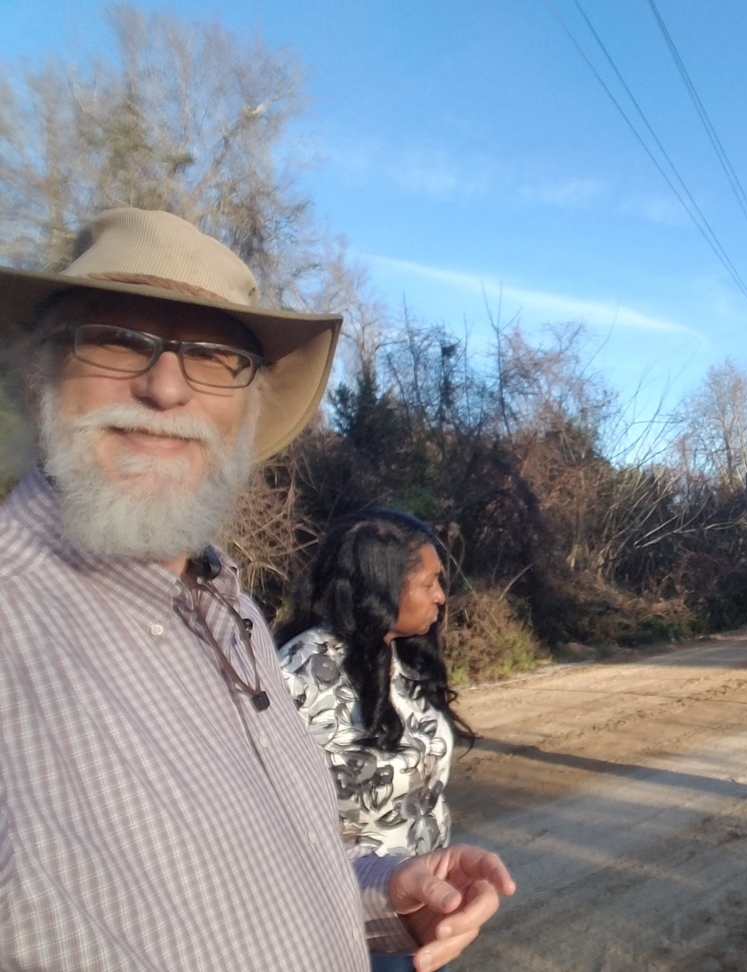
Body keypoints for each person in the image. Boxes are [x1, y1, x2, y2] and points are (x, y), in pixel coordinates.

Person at [0, 207, 514, 972]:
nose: (165, 385)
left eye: (213, 356)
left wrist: (382, 894)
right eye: (113, 339)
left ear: (249, 409)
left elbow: (259, 881)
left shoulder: (230, 608)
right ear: (40, 374)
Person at [277, 510, 471, 858]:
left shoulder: (405, 658)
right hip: (354, 898)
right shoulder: (295, 678)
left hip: (426, 888)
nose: (440, 596)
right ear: (384, 586)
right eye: (429, 583)